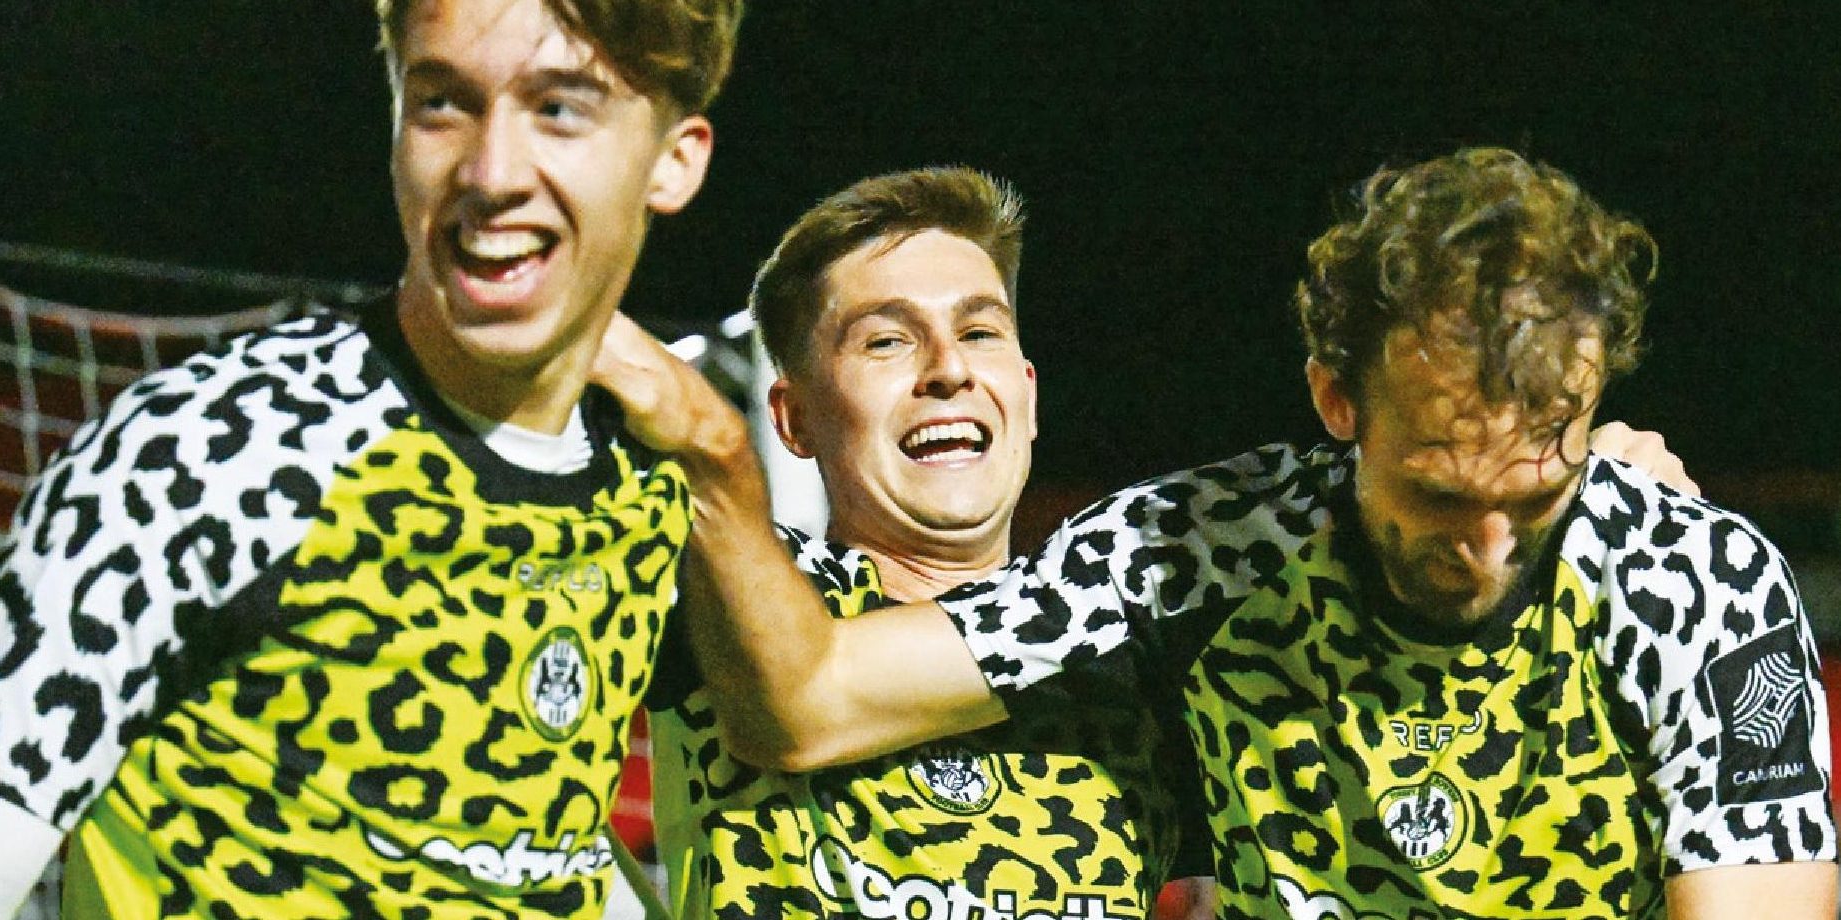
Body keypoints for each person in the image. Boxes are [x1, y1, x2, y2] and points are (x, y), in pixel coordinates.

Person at [598, 147, 1835, 919]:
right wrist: (699, 449)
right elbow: (801, 698)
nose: (1491, 545)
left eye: (1539, 488)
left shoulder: (1702, 577)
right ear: (1334, 402)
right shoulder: (1183, 551)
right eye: (1442, 497)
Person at [0, 0, 738, 917]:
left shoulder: (650, 487)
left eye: (559, 109)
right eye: (443, 102)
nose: (491, 173)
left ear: (675, 161)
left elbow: (541, 847)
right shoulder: (202, 457)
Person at [637, 166, 1196, 920]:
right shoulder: (730, 585)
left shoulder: (1142, 670)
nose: (949, 369)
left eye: (978, 332)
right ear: (794, 417)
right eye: (887, 341)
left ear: (1027, 395)